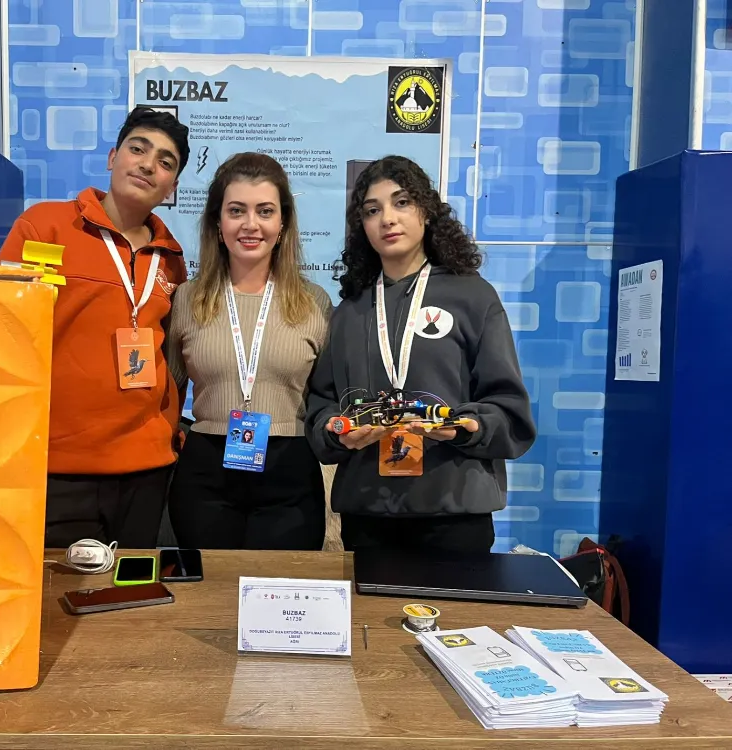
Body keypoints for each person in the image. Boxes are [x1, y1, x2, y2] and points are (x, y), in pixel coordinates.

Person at [304, 155, 536, 554]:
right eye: (372, 210)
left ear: (426, 211)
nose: (387, 219)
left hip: (455, 509)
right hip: (368, 514)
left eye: (402, 202)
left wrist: (468, 426)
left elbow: (508, 408)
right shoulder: (350, 311)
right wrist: (336, 431)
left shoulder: (473, 297)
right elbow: (322, 405)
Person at [0, 107, 191, 549]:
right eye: (138, 149)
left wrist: (169, 429)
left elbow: (171, 359)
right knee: (62, 590)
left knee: (130, 590)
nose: (148, 165)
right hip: (58, 466)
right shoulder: (43, 226)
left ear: (172, 186)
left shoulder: (171, 260)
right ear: (112, 157)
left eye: (165, 162)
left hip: (146, 468)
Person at [167, 152, 333, 550]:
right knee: (211, 588)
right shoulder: (187, 299)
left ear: (283, 223)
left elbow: (327, 399)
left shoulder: (315, 303)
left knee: (280, 585)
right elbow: (167, 393)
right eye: (236, 210)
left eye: (265, 211)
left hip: (290, 474)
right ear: (217, 221)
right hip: (206, 476)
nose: (250, 224)